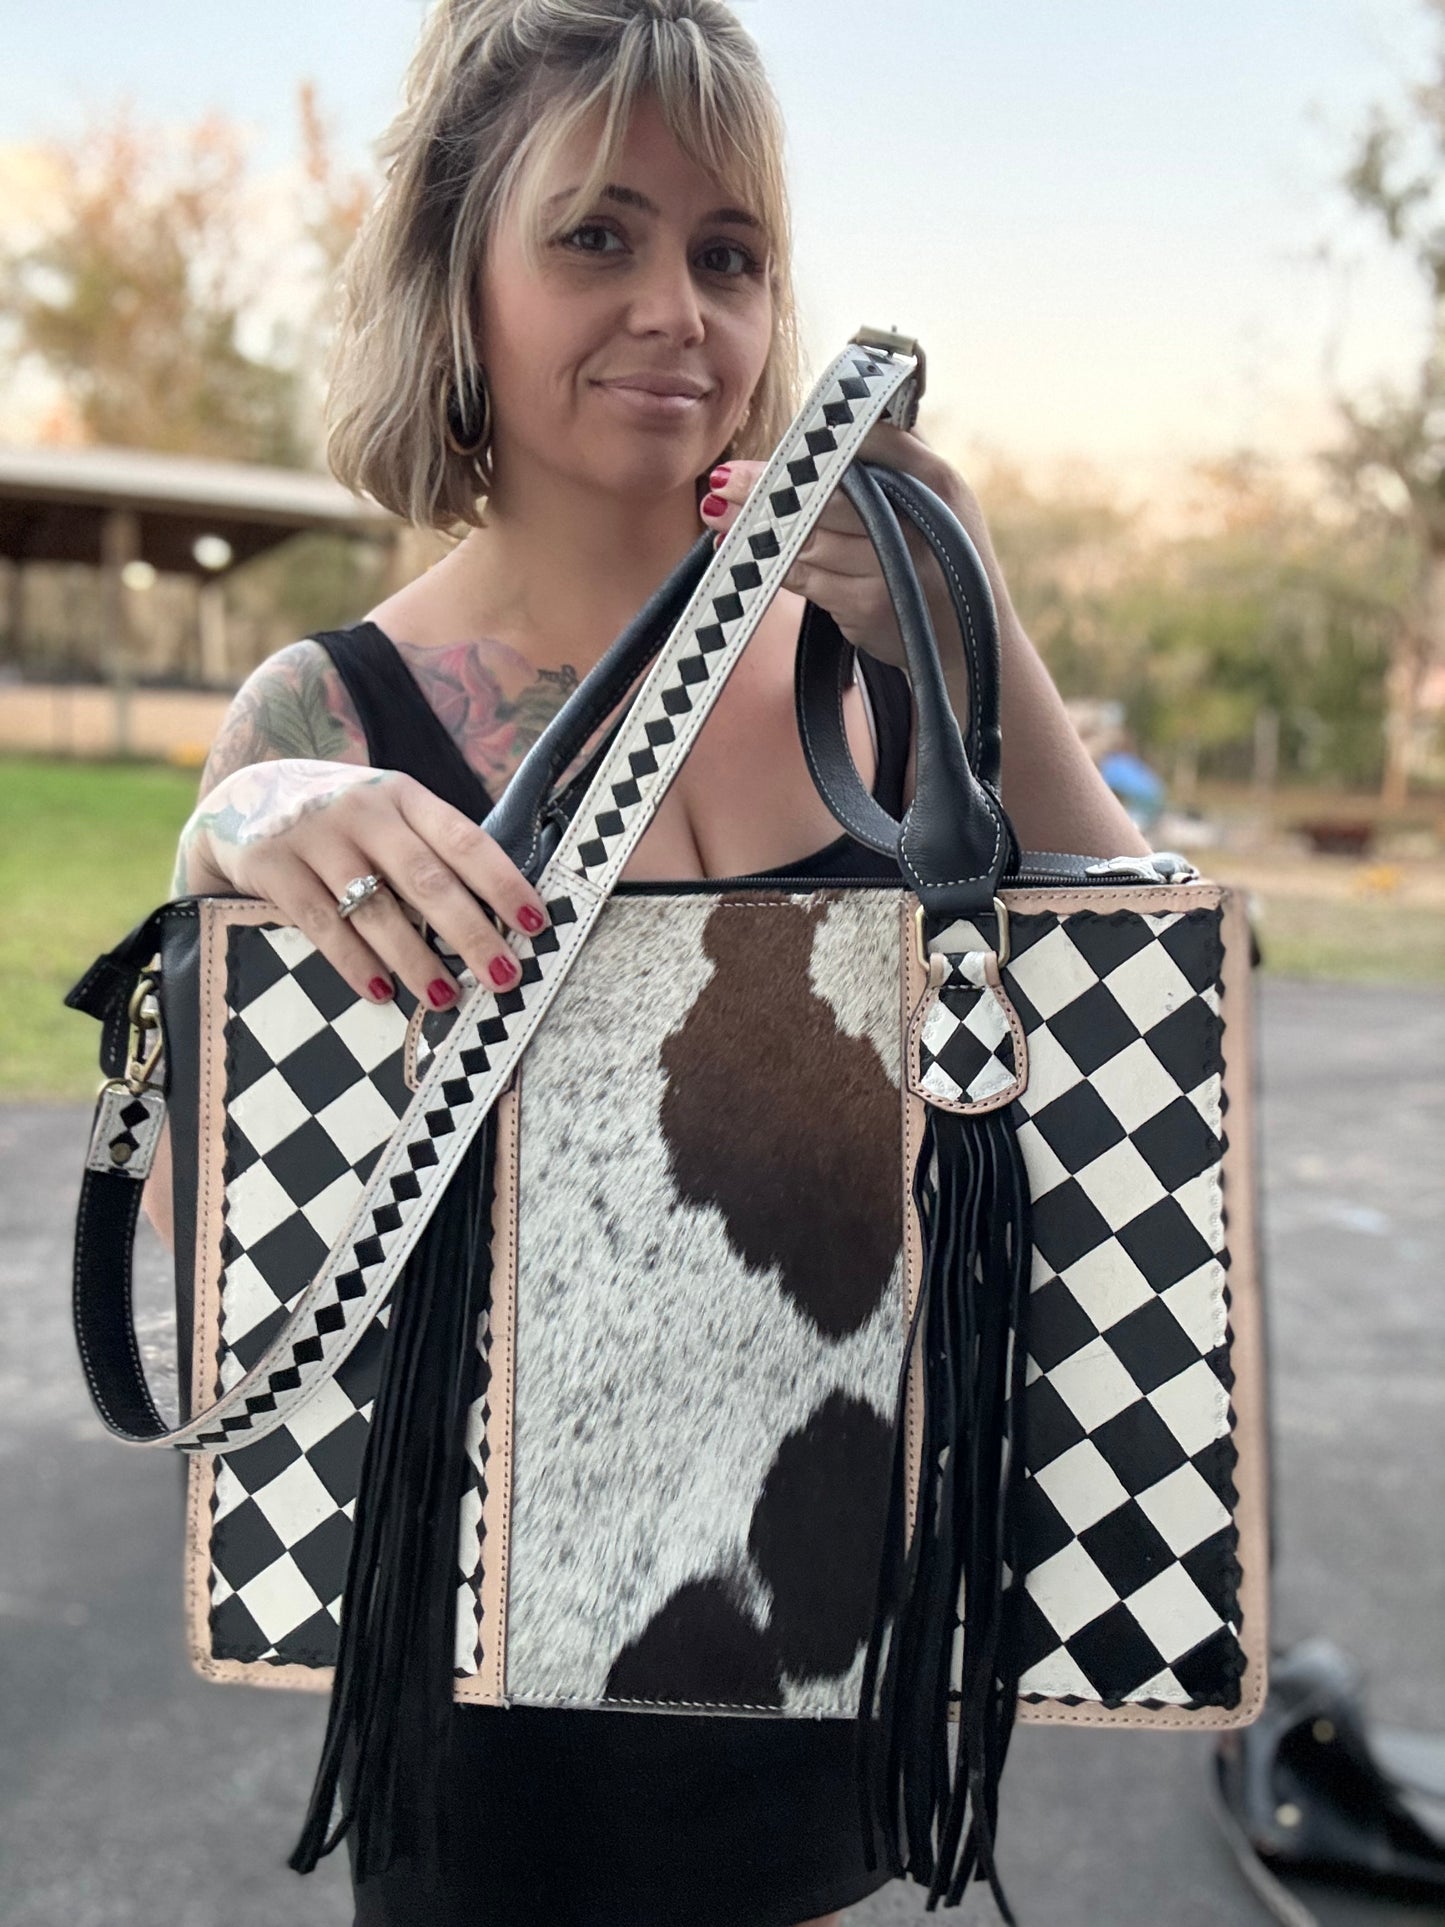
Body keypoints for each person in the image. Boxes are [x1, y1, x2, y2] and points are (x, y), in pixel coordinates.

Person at [148, 3, 1150, 1922]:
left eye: (730, 253)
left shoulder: (885, 678)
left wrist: (974, 616)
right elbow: (251, 1276)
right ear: (457, 274)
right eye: (596, 235)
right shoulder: (327, 720)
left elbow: (1138, 1044)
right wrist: (227, 841)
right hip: (489, 1679)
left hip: (854, 1629)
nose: (677, 309)